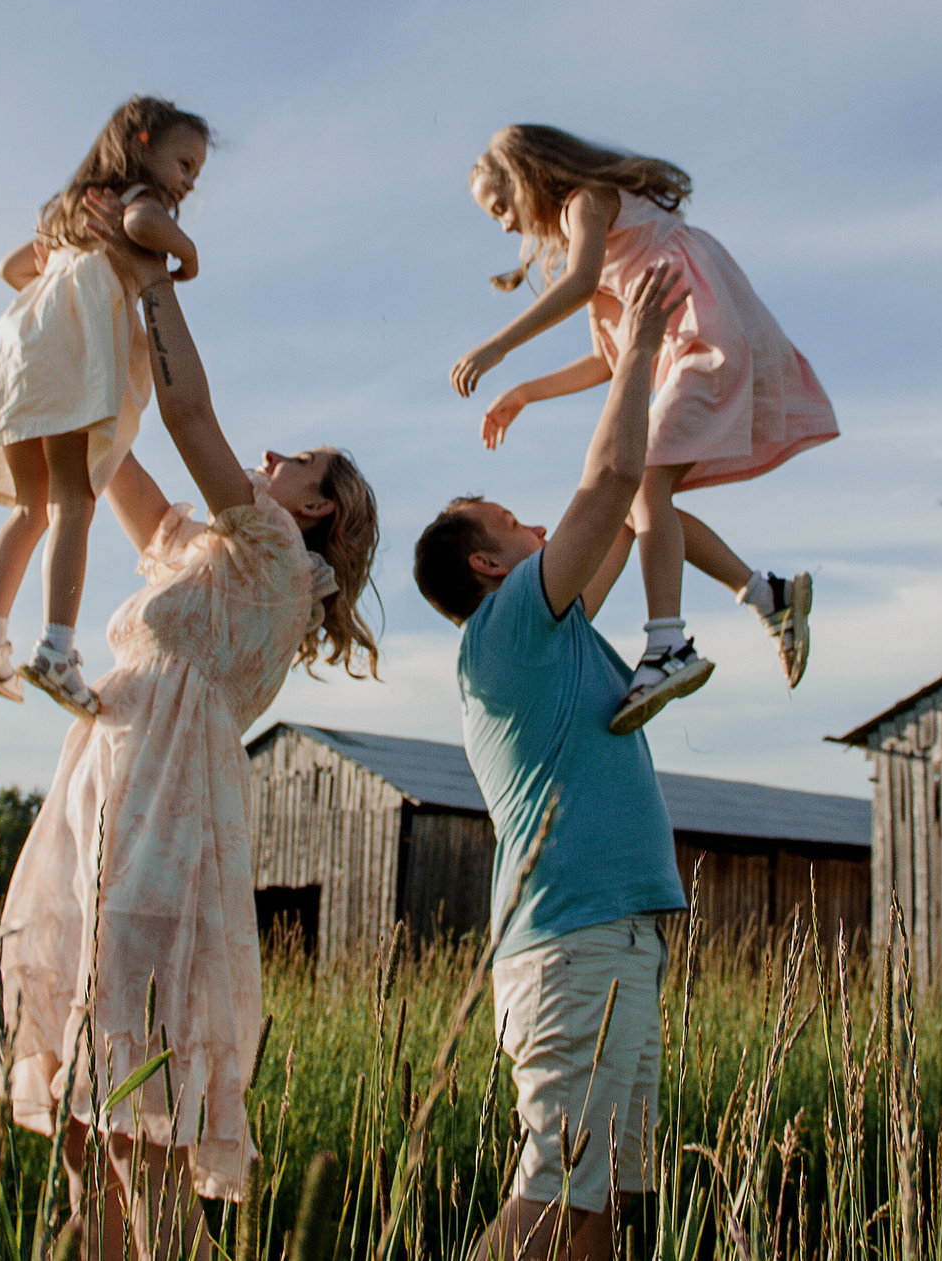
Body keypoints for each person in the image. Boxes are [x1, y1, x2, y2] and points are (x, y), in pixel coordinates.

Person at [0, 191, 380, 1261]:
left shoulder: (273, 564)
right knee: (83, 1126)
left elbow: (191, 416)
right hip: (101, 796)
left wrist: (156, 283)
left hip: (162, 823)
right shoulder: (200, 549)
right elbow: (111, 452)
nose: (272, 453)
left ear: (316, 509)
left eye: (297, 461)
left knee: (135, 1128)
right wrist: (88, 299)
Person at [413, 265, 688, 1261]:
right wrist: (647, 337)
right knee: (555, 1195)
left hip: (603, 944)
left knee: (597, 1208)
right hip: (572, 948)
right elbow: (605, 484)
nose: (535, 523)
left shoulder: (555, 632)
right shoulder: (510, 625)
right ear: (490, 564)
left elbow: (622, 510)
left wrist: (633, 376)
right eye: (510, 521)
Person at [450, 123, 837, 732]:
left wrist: (497, 348)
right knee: (638, 503)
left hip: (704, 340)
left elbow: (576, 284)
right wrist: (526, 392)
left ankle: (668, 645)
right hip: (695, 342)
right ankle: (769, 595)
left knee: (643, 484)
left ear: (527, 180)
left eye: (502, 207)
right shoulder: (608, 256)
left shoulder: (589, 202)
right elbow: (611, 358)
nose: (504, 226)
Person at [0, 95, 210, 717]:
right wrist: (187, 256)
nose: (188, 182)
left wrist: (60, 274)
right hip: (64, 366)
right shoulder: (131, 200)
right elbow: (146, 230)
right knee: (72, 503)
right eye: (185, 164)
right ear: (141, 142)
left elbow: (11, 269)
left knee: (30, 507)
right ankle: (57, 649)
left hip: (18, 365)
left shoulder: (68, 212)